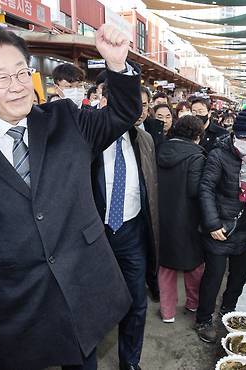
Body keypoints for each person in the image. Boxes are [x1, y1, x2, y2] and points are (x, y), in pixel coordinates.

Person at [0, 24, 139, 370]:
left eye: (21, 72)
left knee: (83, 359)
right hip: (15, 293)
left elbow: (122, 114)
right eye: (1, 78)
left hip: (81, 281)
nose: (17, 86)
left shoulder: (66, 119)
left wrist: (117, 65)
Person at [92, 84, 160, 370]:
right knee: (92, 303)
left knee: (136, 303)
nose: (137, 109)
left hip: (132, 233)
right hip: (94, 236)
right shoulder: (88, 136)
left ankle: (129, 361)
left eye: (142, 104)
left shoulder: (144, 140)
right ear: (105, 100)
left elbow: (149, 189)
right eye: (130, 101)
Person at [194, 109, 246, 343]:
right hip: (221, 228)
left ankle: (228, 310)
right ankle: (204, 319)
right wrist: (213, 223)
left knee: (239, 276)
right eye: (243, 137)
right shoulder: (218, 154)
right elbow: (205, 189)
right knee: (213, 277)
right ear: (234, 134)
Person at [156, 115, 206, 324]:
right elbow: (195, 190)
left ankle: (167, 312)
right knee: (194, 265)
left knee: (166, 266)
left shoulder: (160, 150)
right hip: (188, 217)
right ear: (197, 135)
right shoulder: (197, 156)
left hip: (161, 216)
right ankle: (193, 303)